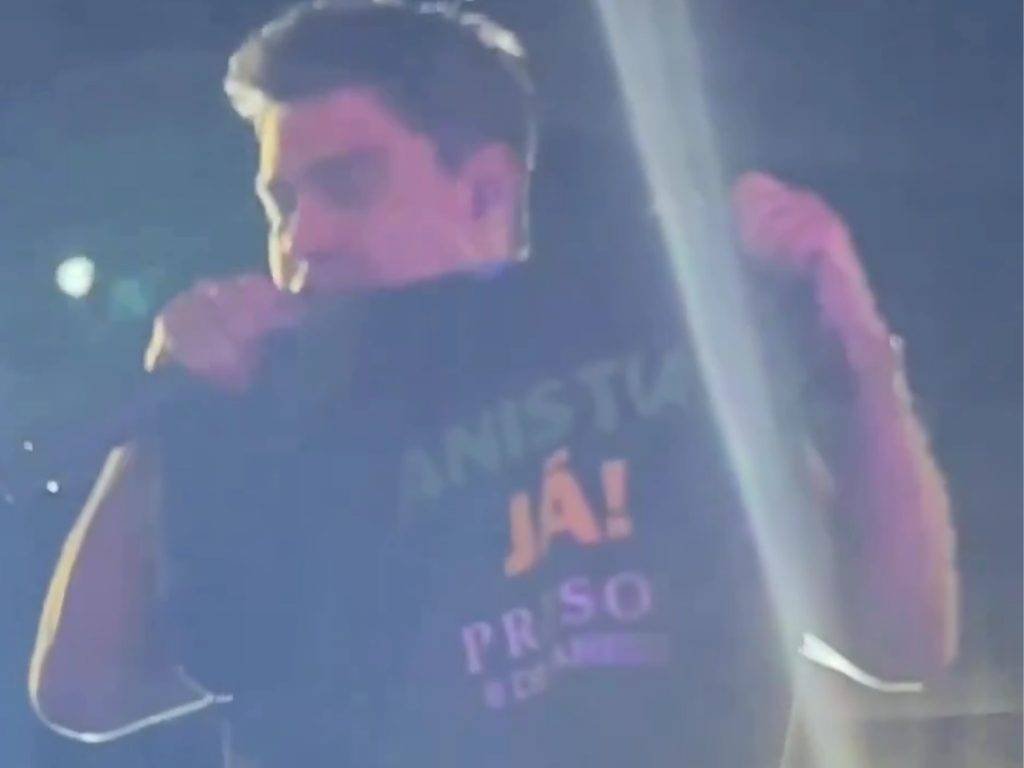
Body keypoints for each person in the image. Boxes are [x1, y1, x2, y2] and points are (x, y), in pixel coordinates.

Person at [28, 2, 958, 765]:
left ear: (485, 191)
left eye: (347, 186)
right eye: (282, 203)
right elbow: (81, 695)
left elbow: (900, 642)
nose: (302, 237)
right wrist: (167, 413)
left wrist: (857, 341)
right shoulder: (275, 410)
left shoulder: (657, 348)